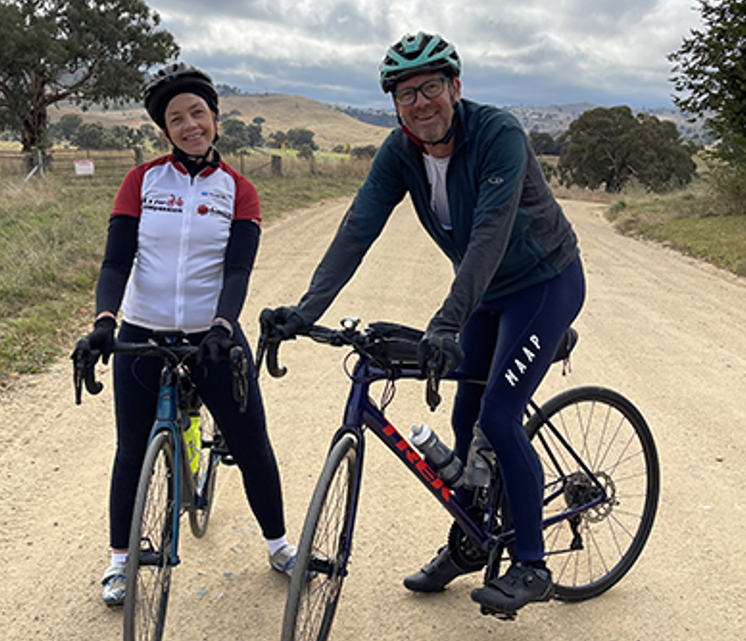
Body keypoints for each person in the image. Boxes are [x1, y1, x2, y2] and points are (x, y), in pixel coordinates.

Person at [267, 32, 585, 618]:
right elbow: (358, 227)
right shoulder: (401, 151)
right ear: (394, 104)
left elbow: (489, 236)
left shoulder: (499, 135)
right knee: (465, 417)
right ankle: (469, 543)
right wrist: (305, 311)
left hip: (544, 283)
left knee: (497, 412)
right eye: (406, 93)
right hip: (487, 293)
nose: (421, 103)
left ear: (455, 89)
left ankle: (534, 565)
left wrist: (446, 322)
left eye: (432, 87)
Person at [78, 62, 297, 606]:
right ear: (165, 130)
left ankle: (279, 545)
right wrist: (105, 323)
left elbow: (237, 271)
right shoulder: (142, 181)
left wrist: (224, 325)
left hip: (212, 336)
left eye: (197, 112)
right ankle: (118, 563)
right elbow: (115, 263)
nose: (189, 124)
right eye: (176, 118)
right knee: (131, 451)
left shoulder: (238, 191)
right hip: (143, 334)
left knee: (251, 447)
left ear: (215, 119)